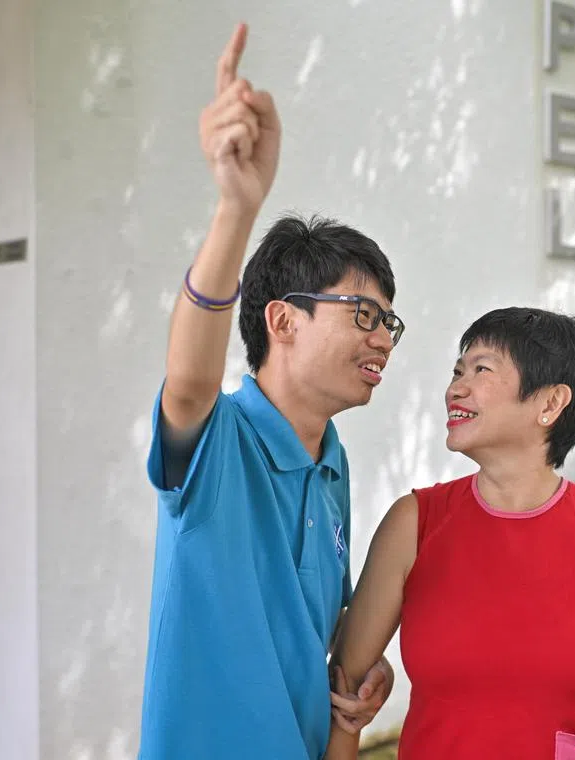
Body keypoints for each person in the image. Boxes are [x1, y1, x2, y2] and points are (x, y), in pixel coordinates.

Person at [138, 23, 400, 760]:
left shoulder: (333, 464)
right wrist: (237, 209)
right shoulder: (218, 443)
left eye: (389, 322)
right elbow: (189, 379)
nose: (383, 340)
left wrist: (361, 669)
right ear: (283, 320)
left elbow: (308, 632)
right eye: (363, 314)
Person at [325, 308, 575, 759]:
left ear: (550, 404)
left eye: (482, 370)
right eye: (458, 371)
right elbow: (347, 691)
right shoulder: (413, 524)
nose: (456, 388)